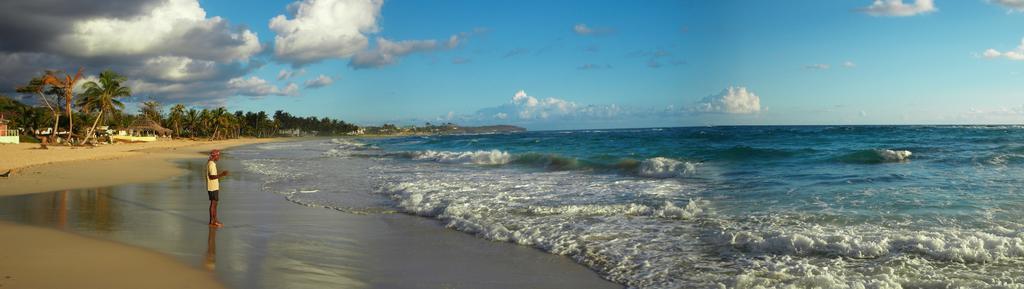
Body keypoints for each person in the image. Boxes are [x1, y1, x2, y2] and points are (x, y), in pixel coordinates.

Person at [207, 149, 229, 227]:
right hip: (212, 187)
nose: (219, 157)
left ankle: (213, 220)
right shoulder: (212, 164)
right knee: (214, 204)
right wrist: (222, 174)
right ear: (215, 156)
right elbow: (212, 176)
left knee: (214, 204)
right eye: (218, 155)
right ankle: (213, 221)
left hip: (212, 186)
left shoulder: (211, 163)